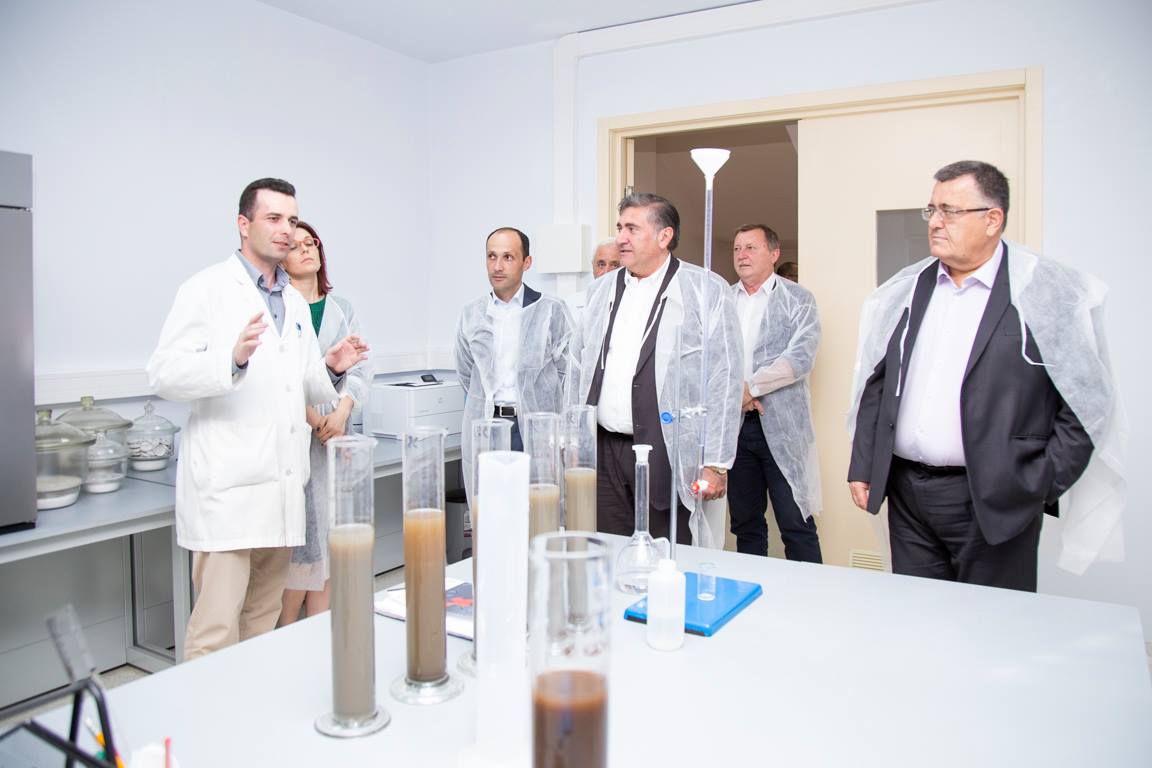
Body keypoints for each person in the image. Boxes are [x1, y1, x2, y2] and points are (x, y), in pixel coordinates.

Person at [848, 160, 1123, 590]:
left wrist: (1037, 481)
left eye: (949, 211)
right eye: (932, 210)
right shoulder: (906, 290)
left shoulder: (1044, 291)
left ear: (993, 219)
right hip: (907, 494)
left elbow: (1088, 402)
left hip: (995, 495)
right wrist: (864, 464)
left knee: (993, 620)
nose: (935, 222)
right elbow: (878, 382)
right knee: (916, 614)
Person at [147, 178, 369, 658]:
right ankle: (208, 708)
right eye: (274, 218)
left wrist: (332, 368)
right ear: (243, 225)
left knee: (262, 622)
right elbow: (163, 374)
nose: (286, 229)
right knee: (216, 628)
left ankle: (251, 702)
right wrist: (230, 360)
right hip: (228, 492)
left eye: (292, 219)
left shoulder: (291, 301)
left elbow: (301, 384)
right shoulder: (207, 289)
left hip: (281, 490)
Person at [567, 193, 742, 545]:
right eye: (620, 227)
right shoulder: (600, 291)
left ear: (664, 236)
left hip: (668, 451)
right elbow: (576, 368)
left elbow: (725, 378)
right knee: (608, 548)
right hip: (604, 451)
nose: (621, 237)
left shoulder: (705, 290)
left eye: (632, 229)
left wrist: (716, 462)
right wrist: (572, 438)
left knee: (669, 552)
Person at [278, 221, 371, 625]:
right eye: (295, 246)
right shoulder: (280, 309)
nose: (305, 249)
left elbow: (360, 368)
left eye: (311, 242)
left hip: (339, 437)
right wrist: (318, 421)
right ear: (281, 260)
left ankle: (319, 631)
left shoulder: (341, 309)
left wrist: (342, 413)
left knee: (331, 544)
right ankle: (283, 632)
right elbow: (282, 377)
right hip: (299, 437)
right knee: (300, 551)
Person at [455, 227, 572, 500]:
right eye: (491, 256)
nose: (497, 266)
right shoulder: (471, 314)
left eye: (508, 257)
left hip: (534, 427)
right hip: (487, 424)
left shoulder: (550, 310)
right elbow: (466, 372)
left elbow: (568, 375)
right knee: (490, 507)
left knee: (538, 508)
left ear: (526, 262)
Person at [728, 224, 822, 561]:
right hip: (734, 429)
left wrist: (750, 388)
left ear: (774, 253)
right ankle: (752, 590)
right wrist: (736, 395)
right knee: (746, 524)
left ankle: (811, 593)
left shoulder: (798, 299)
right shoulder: (722, 300)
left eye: (751, 247)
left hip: (783, 428)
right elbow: (710, 358)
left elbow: (800, 358)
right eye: (737, 248)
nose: (742, 255)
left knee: (796, 523)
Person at [566, 240, 622, 321]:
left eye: (615, 266)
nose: (606, 272)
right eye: (601, 265)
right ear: (593, 266)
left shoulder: (633, 303)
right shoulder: (572, 303)